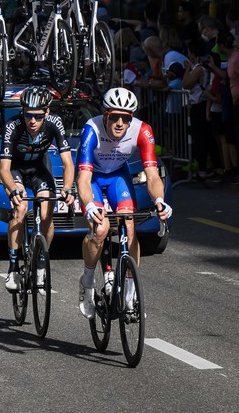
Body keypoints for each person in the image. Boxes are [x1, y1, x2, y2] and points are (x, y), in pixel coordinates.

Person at [76, 87, 172, 318]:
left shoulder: (142, 130)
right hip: (95, 179)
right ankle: (87, 281)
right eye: (114, 117)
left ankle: (130, 291)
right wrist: (89, 205)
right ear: (105, 115)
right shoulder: (92, 130)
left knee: (129, 225)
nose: (120, 123)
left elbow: (152, 175)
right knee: (100, 230)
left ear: (131, 119)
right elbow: (84, 179)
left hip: (119, 176)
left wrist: (159, 200)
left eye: (125, 118)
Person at [0, 86, 75, 291]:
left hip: (39, 169)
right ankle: (14, 266)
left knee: (47, 212)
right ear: (22, 111)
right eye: (28, 114)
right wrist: (13, 190)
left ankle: (41, 260)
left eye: (38, 116)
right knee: (21, 208)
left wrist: (67, 188)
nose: (32, 121)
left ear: (47, 113)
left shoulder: (55, 123)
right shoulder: (12, 126)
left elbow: (68, 162)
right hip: (15, 170)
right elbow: (4, 169)